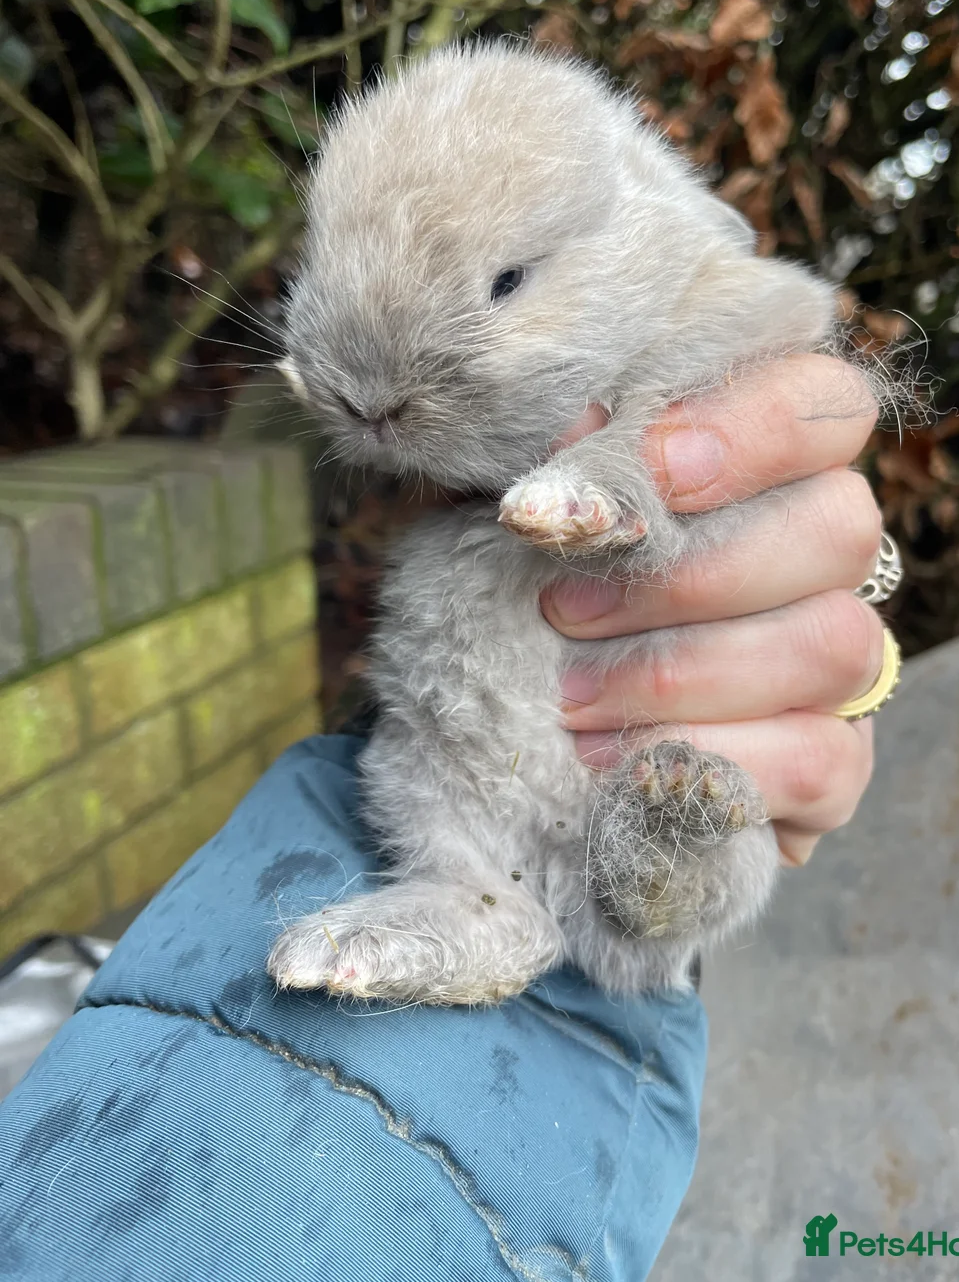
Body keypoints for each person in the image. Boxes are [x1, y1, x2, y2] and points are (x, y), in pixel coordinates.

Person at [0, 354, 886, 1282]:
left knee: (647, 845)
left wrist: (812, 587)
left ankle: (646, 867)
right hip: (499, 874)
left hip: (568, 889)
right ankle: (537, 892)